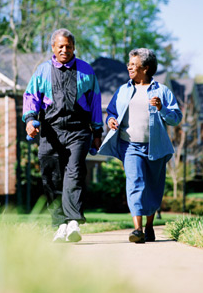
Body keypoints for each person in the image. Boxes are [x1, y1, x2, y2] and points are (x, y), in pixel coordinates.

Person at [23, 28, 103, 242]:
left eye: (68, 46)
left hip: (78, 131)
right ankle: (60, 224)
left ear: (74, 47)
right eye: (61, 46)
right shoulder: (42, 71)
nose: (65, 49)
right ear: (53, 48)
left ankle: (74, 221)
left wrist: (97, 131)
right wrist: (30, 119)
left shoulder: (86, 71)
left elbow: (95, 102)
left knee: (74, 172)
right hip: (50, 132)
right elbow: (31, 97)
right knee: (51, 176)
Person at [99, 48, 182, 243]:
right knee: (135, 182)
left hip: (156, 147)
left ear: (145, 68)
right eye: (129, 64)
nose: (129, 67)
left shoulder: (162, 91)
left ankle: (149, 226)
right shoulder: (123, 90)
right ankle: (137, 230)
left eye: (133, 64)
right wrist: (110, 120)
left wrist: (162, 108)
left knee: (153, 187)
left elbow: (176, 118)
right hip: (130, 146)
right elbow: (111, 112)